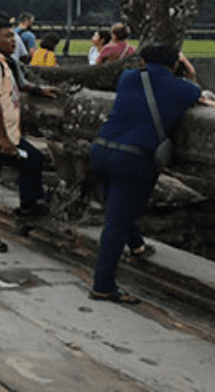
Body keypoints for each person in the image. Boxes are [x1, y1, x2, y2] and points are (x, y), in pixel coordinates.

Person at [89, 44, 214, 303]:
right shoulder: (182, 88)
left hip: (101, 149)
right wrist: (188, 71)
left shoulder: (128, 78)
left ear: (143, 60)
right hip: (133, 156)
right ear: (175, 65)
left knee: (118, 208)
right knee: (117, 221)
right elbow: (194, 92)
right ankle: (103, 284)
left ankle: (136, 245)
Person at [0, 21, 57, 252]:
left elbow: (15, 86)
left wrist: (38, 90)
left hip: (5, 133)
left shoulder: (4, 63)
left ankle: (29, 205)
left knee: (33, 160)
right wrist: (3, 139)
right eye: (7, 37)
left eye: (13, 37)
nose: (13, 41)